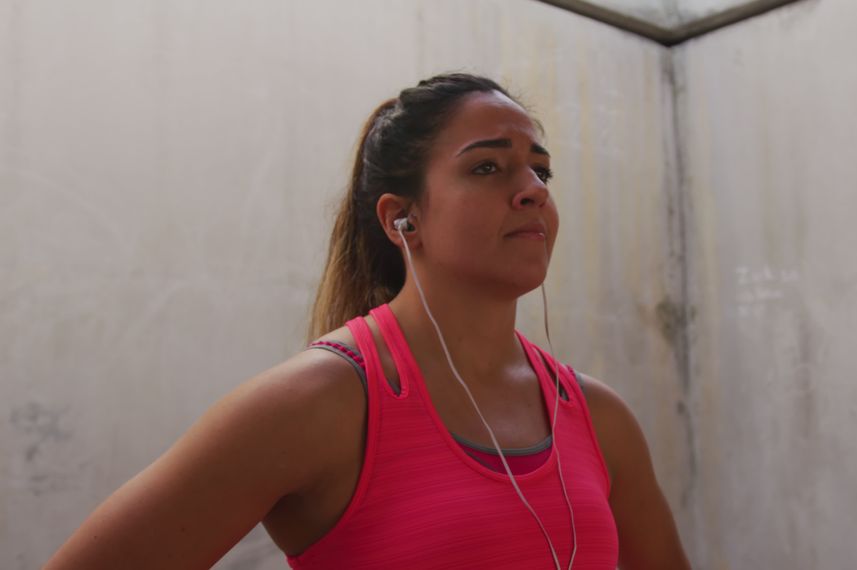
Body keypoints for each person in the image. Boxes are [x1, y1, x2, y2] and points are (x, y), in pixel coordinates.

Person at [45, 73, 690, 569]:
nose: (533, 189)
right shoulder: (319, 404)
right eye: (487, 166)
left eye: (540, 169)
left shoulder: (599, 419)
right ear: (400, 218)